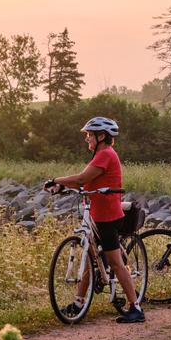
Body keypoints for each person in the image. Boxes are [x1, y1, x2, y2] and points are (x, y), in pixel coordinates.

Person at [45, 116, 144, 323]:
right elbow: (87, 183)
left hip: (107, 216)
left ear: (102, 136)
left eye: (89, 135)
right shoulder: (100, 155)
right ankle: (79, 303)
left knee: (116, 263)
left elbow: (82, 178)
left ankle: (136, 308)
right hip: (96, 215)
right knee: (92, 260)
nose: (87, 139)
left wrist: (56, 180)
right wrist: (63, 187)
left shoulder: (106, 155)